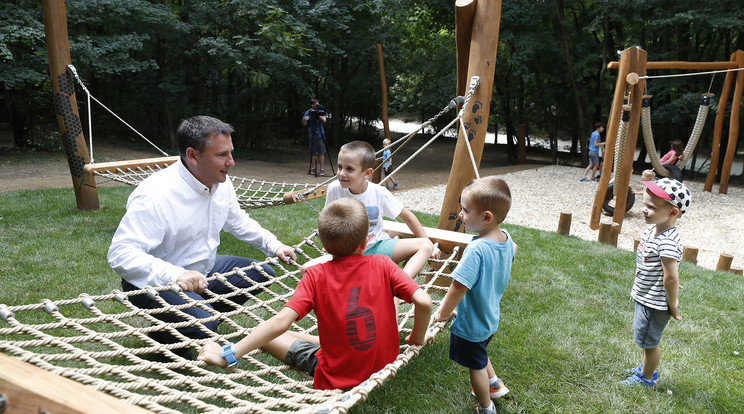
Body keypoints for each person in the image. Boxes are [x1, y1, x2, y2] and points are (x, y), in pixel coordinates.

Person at [108, 115, 297, 357]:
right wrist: (176, 274)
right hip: (155, 283)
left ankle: (182, 323)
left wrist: (274, 245)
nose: (231, 162)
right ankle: (188, 326)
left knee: (262, 273)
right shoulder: (155, 195)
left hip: (202, 272)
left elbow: (237, 220)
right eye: (222, 155)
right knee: (205, 325)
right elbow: (121, 254)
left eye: (230, 153)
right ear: (193, 155)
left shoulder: (220, 181)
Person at [197, 198, 433, 390]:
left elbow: (279, 323)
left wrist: (229, 354)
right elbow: (423, 301)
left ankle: (235, 349)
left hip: (340, 373)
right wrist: (416, 337)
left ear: (322, 243)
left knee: (267, 335)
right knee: (290, 333)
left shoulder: (316, 275)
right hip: (384, 361)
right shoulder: (383, 263)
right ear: (365, 242)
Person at [434, 176, 517, 414]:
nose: (460, 214)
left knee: (475, 365)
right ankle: (495, 383)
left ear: (486, 217)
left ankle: (485, 406)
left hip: (471, 323)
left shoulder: (477, 249)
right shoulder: (505, 238)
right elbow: (513, 250)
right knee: (481, 351)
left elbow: (458, 286)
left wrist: (443, 313)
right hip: (489, 316)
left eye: (466, 210)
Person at [305, 140, 440, 279]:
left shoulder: (378, 193)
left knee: (426, 245)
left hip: (377, 247)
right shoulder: (335, 188)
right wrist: (328, 245)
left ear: (367, 173)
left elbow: (408, 217)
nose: (341, 173)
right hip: (346, 253)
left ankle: (401, 283)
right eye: (340, 167)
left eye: (349, 169)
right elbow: (327, 220)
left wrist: (430, 244)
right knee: (306, 269)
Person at [620, 177, 691, 388]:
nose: (644, 210)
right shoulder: (652, 230)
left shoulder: (667, 241)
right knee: (644, 340)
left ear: (672, 213)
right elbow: (659, 269)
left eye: (651, 207)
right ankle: (645, 369)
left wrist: (673, 302)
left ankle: (646, 378)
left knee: (649, 344)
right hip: (645, 295)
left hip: (654, 304)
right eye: (644, 205)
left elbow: (671, 276)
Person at [302, 98, 328, 176]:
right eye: (316, 104)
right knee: (313, 152)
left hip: (320, 134)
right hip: (312, 134)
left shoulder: (321, 111)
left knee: (321, 152)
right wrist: (304, 120)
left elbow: (324, 120)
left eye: (318, 104)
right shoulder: (308, 112)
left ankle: (322, 170)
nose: (317, 106)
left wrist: (318, 114)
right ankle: (313, 168)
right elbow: (304, 124)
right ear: (312, 105)